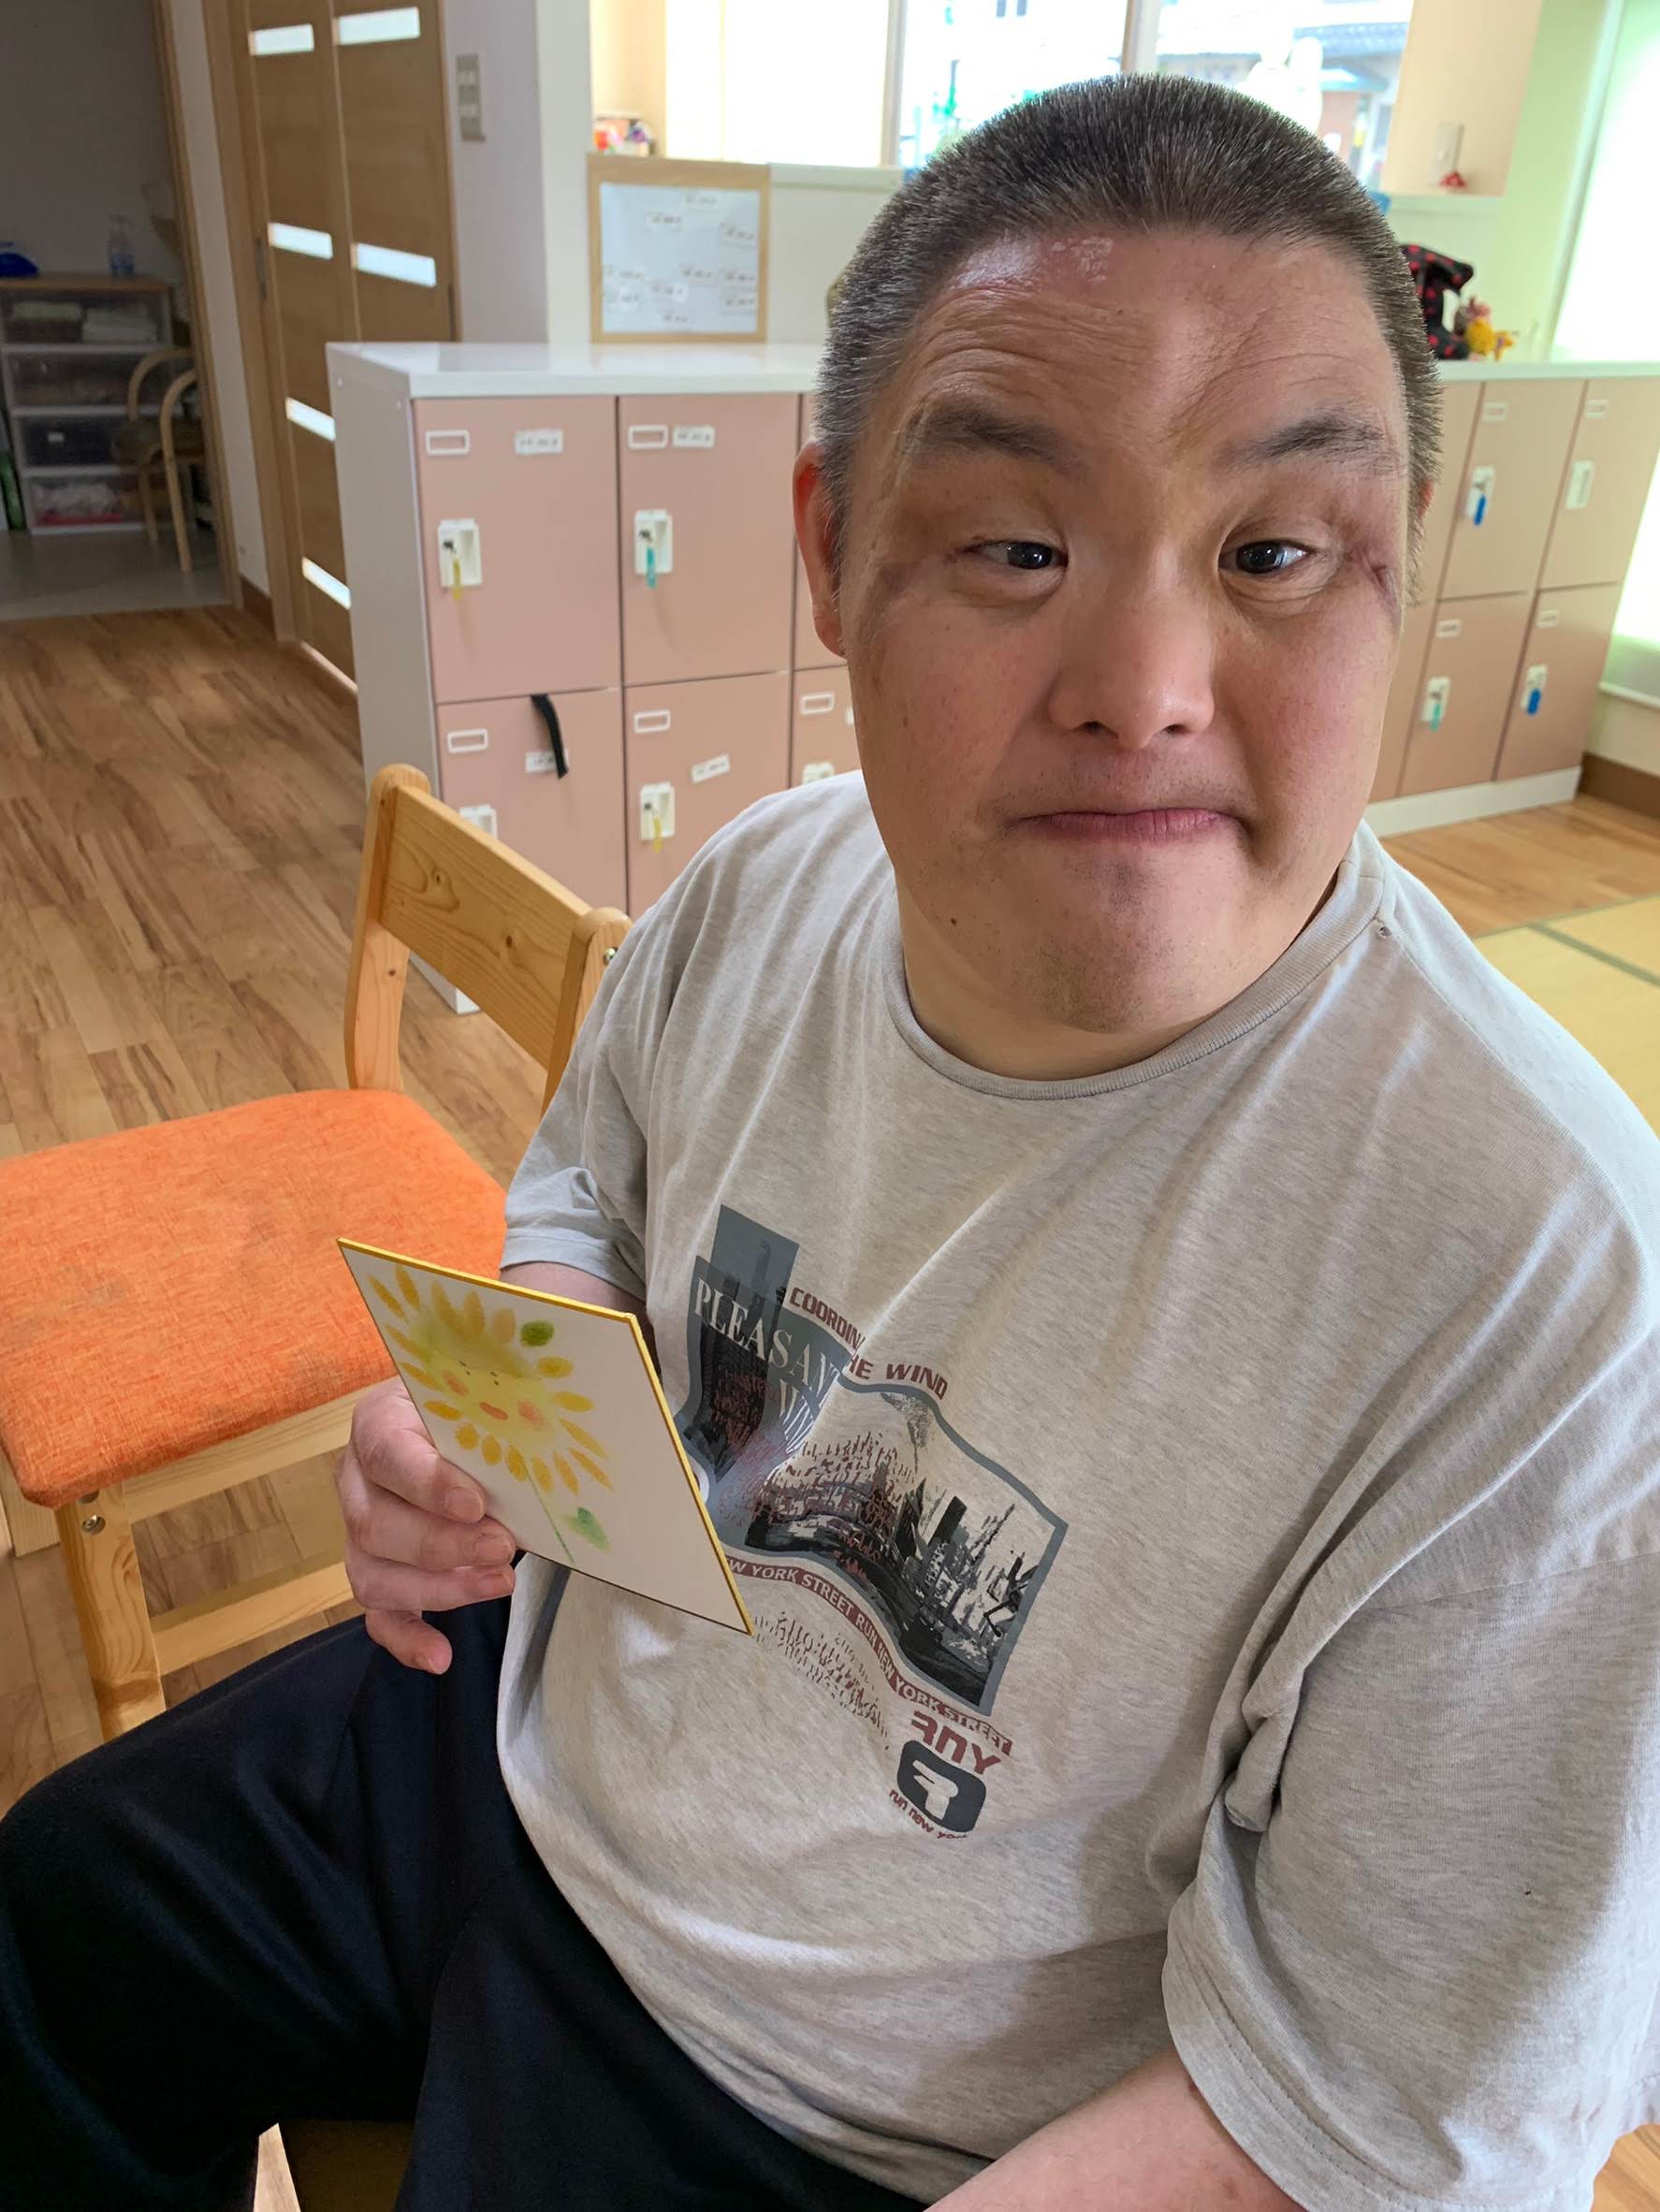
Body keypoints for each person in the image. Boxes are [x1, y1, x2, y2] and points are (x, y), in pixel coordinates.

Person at [4, 71, 1658, 2212]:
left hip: (845, 2099)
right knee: (49, 1923)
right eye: (1015, 548)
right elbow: (585, 1185)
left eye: (1269, 554)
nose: (1145, 684)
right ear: (828, 554)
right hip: (524, 1730)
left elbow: (1376, 2110)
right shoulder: (764, 882)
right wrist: (497, 1421)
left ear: (1391, 574)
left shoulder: (1542, 1295)